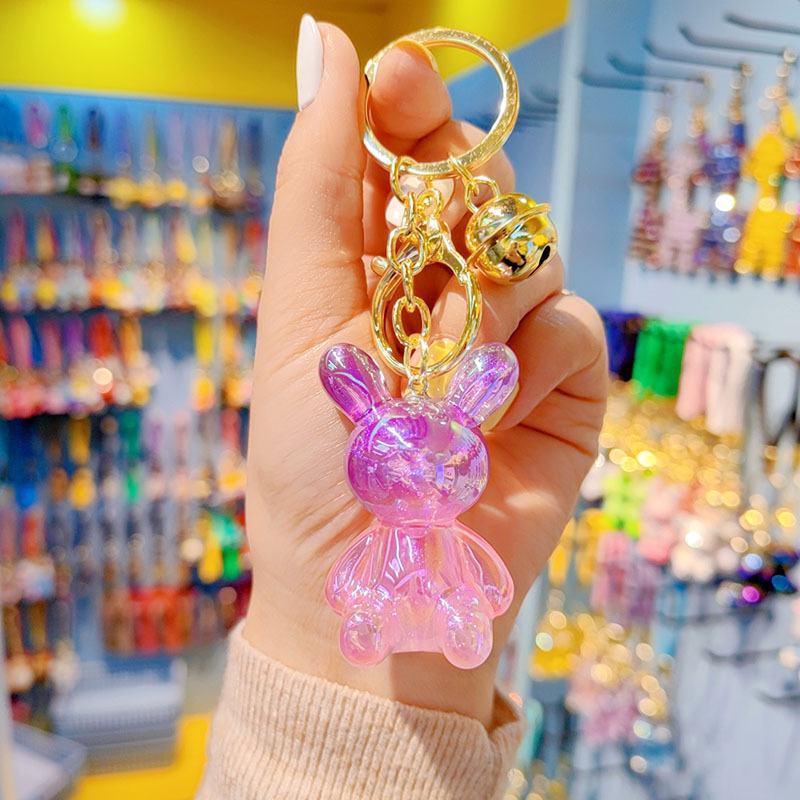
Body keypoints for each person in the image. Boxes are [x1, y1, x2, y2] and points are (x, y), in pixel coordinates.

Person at [197, 15, 607, 800]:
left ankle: (444, 628)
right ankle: (396, 625)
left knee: (457, 595)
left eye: (440, 465)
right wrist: (319, 641)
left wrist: (419, 693)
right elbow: (357, 576)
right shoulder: (379, 471)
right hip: (374, 595)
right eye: (399, 463)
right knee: (384, 595)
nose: (420, 476)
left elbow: (483, 578)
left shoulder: (457, 456)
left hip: (425, 612)